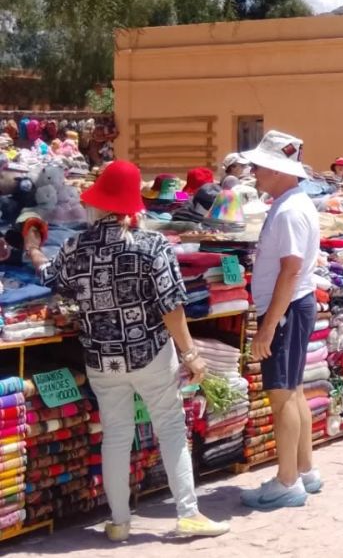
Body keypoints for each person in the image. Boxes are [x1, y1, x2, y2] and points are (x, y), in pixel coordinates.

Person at [24, 161, 229, 542]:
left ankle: (118, 521)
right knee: (170, 428)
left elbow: (49, 276)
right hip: (149, 353)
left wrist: (34, 247)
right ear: (131, 204)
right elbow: (172, 306)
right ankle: (188, 513)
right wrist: (190, 354)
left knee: (116, 435)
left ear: (98, 202)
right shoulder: (151, 246)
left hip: (101, 359)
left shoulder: (74, 246)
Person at [239, 131, 322, 510]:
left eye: (258, 166)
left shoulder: (289, 211)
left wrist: (268, 325)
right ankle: (304, 470)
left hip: (286, 308)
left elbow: (290, 270)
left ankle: (287, 480)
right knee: (293, 389)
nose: (254, 173)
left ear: (276, 169)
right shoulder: (295, 203)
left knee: (281, 394)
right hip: (295, 305)